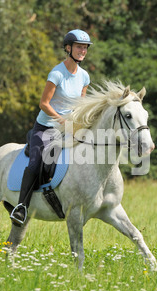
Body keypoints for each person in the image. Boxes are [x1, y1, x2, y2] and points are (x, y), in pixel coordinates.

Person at [10, 29, 93, 226]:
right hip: (46, 127)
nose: (83, 51)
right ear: (68, 48)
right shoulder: (57, 73)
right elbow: (44, 104)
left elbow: (80, 105)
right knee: (36, 162)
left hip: (69, 128)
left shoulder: (84, 77)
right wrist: (61, 119)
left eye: (85, 48)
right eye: (79, 47)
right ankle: (21, 206)